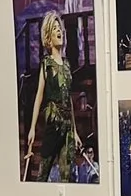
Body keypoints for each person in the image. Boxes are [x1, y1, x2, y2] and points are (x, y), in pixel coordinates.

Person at [23, 10, 87, 183]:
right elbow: (39, 96)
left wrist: (74, 131)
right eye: (55, 28)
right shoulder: (47, 63)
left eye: (60, 27)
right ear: (48, 36)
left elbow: (69, 101)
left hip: (67, 125)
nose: (59, 31)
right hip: (53, 122)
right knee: (44, 170)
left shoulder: (66, 64)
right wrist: (32, 128)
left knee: (67, 175)